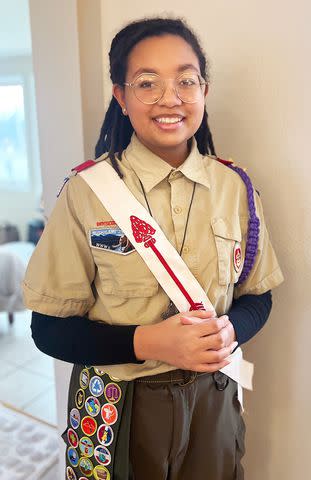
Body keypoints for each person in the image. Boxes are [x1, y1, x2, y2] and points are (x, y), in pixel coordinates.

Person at [22, 17, 284, 480]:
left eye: (186, 80)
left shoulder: (236, 188)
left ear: (204, 89)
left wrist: (231, 332)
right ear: (121, 97)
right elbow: (48, 329)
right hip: (116, 405)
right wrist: (146, 342)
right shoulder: (87, 193)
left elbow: (258, 297)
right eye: (148, 83)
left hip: (213, 400)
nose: (171, 98)